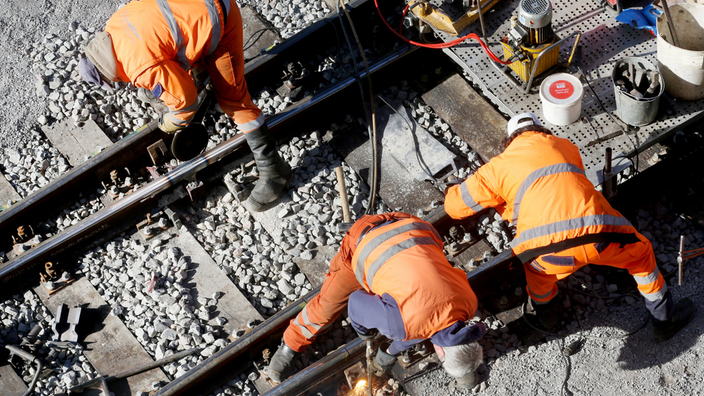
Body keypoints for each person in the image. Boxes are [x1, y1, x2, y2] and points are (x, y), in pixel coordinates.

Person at [444, 112, 696, 340]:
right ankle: (664, 321)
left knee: (539, 280)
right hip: (601, 235)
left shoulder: (497, 167)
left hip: (546, 253)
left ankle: (549, 320)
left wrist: (460, 189)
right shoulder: (566, 146)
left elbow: (454, 208)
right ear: (542, 131)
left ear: (509, 142)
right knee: (642, 257)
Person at [78, 0, 291, 212]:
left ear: (107, 74)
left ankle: (274, 170)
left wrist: (171, 123)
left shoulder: (139, 67)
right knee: (180, 54)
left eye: (112, 81)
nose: (117, 81)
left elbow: (186, 103)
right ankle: (206, 76)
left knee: (234, 101)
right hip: (196, 10)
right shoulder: (115, 25)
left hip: (220, 19)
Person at [265, 212, 486, 388]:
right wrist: (365, 332)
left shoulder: (469, 303)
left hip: (413, 227)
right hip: (364, 240)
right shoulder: (400, 326)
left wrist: (391, 351)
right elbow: (355, 302)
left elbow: (424, 324)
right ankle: (291, 343)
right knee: (327, 305)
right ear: (442, 352)